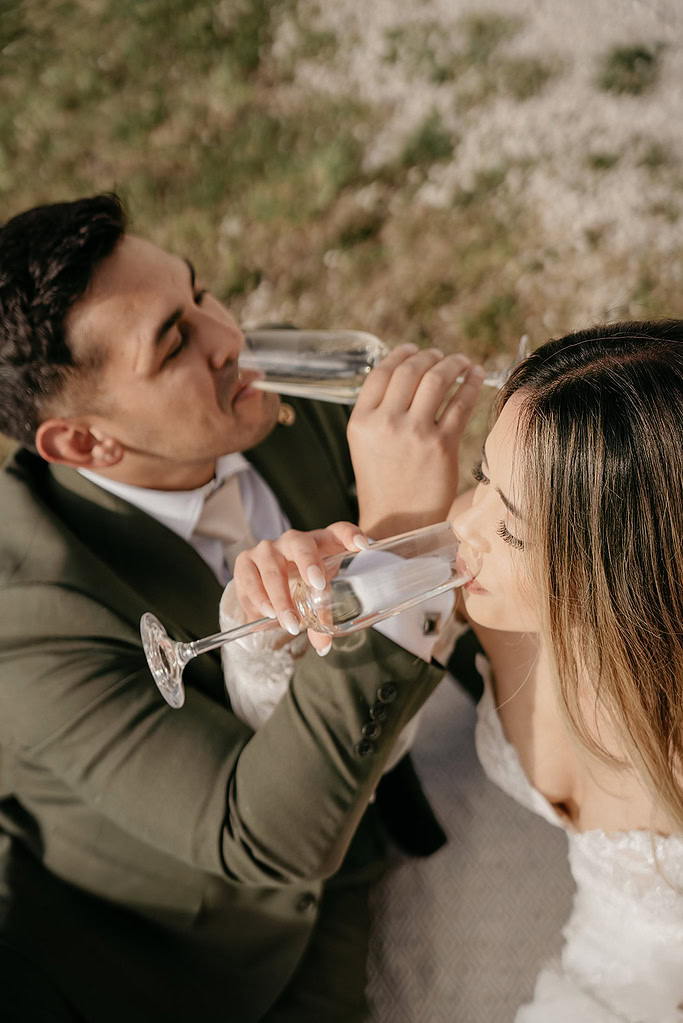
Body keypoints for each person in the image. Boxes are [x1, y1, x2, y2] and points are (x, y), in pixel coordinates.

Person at [0, 193, 485, 1023]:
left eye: (200, 293)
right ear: (84, 444)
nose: (233, 336)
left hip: (356, 831)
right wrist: (396, 540)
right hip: (188, 966)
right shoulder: (26, 620)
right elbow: (258, 835)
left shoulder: (279, 392)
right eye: (175, 342)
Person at [446, 320, 683, 1020]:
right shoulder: (490, 583)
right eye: (481, 473)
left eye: (511, 527)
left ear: (620, 570)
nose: (464, 523)